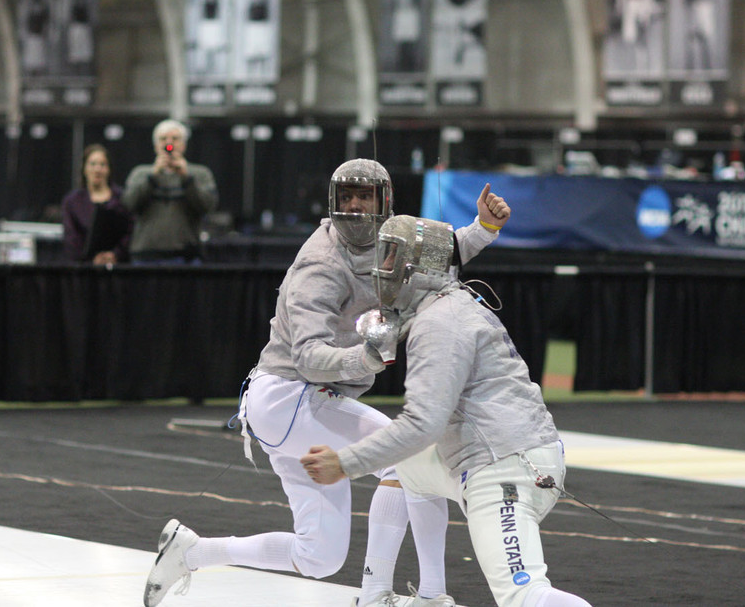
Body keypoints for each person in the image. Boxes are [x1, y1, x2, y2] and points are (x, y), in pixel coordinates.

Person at [142, 158, 512, 607]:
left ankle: (193, 551)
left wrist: (485, 228)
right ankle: (406, 595)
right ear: (334, 203)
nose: (355, 206)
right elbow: (310, 358)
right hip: (286, 396)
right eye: (347, 197)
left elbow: (435, 255)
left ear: (384, 201)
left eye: (365, 196)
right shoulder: (319, 265)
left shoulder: (388, 237)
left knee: (317, 557)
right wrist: (368, 356)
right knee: (408, 458)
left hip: (305, 406)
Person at [300, 215, 592, 607]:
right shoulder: (441, 304)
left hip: (505, 469)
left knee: (523, 595)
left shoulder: (440, 323)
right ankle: (409, 595)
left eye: (390, 256)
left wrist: (345, 463)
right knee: (408, 468)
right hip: (493, 456)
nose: (381, 267)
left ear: (414, 266)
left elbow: (423, 423)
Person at [123, 119, 217, 264]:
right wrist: (152, 177)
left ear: (184, 145)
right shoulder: (140, 173)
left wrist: (186, 178)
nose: (169, 144)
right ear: (155, 145)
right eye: (163, 139)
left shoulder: (200, 173)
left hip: (186, 257)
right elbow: (129, 204)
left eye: (175, 139)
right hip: (146, 256)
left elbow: (208, 206)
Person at [62, 144, 133, 265]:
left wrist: (115, 254)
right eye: (92, 164)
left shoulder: (123, 198)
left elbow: (131, 230)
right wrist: (91, 259)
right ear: (84, 168)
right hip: (84, 269)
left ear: (109, 169)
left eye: (102, 164)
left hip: (119, 266)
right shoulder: (72, 201)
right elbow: (71, 237)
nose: (97, 169)